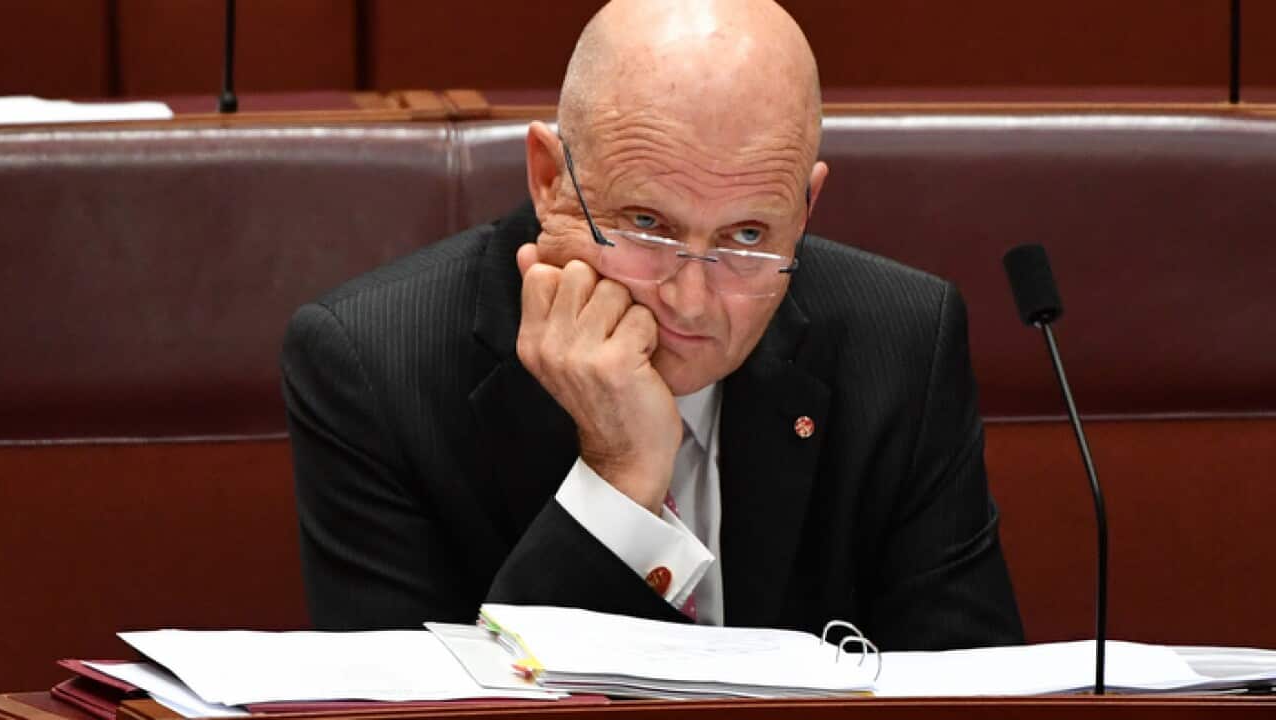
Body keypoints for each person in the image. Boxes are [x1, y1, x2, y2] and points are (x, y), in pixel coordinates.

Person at [281, 0, 1023, 650]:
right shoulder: (373, 364)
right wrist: (619, 478)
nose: (692, 300)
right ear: (549, 178)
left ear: (806, 210)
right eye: (646, 224)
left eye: (748, 237)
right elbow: (410, 711)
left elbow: (972, 688)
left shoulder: (902, 344)